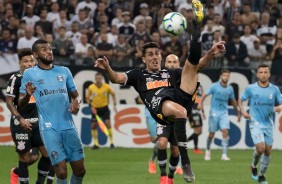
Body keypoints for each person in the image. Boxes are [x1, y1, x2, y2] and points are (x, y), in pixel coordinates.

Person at [94, 12, 226, 184]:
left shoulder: (169, 72)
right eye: (150, 54)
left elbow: (196, 66)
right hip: (159, 106)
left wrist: (210, 54)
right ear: (144, 59)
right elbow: (116, 79)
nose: (155, 57)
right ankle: (184, 163)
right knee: (164, 141)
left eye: (157, 53)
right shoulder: (138, 74)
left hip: (177, 100)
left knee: (190, 66)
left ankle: (196, 30)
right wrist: (107, 69)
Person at [18, 39, 86, 184]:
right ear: (35, 55)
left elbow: (76, 95)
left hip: (68, 125)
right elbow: (20, 103)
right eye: (44, 49)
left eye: (50, 48)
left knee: (80, 170)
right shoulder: (30, 74)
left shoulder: (64, 71)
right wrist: (29, 94)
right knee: (61, 172)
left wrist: (77, 102)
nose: (49, 51)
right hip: (49, 128)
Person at [6, 48, 51, 184]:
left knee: (47, 154)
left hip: (38, 124)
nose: (29, 63)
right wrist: (20, 119)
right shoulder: (16, 79)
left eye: (31, 60)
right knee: (25, 158)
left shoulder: (40, 77)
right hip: (21, 125)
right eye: (26, 61)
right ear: (20, 63)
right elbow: (9, 102)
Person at [238, 64, 282, 184]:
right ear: (257, 74)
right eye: (261, 72)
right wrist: (242, 111)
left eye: (265, 72)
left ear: (269, 74)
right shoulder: (251, 88)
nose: (263, 74)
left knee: (268, 150)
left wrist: (279, 107)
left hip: (268, 124)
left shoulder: (275, 89)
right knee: (261, 148)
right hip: (255, 122)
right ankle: (253, 165)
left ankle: (261, 175)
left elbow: (280, 103)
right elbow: (241, 99)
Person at [199, 69, 240, 161]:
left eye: (227, 76)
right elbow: (204, 95)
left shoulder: (230, 88)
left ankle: (224, 154)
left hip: (224, 113)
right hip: (214, 113)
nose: (225, 77)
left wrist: (237, 112)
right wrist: (200, 104)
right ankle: (208, 151)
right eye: (224, 75)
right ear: (220, 76)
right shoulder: (214, 86)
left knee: (225, 131)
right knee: (211, 134)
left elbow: (233, 101)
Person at [156, 54, 185, 184]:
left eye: (174, 62)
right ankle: (163, 176)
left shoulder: (185, 77)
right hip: (163, 117)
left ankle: (170, 177)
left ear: (179, 64)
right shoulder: (158, 76)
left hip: (178, 119)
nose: (172, 64)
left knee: (174, 150)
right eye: (169, 62)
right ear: (165, 64)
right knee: (161, 143)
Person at [85, 72, 117, 149]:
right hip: (95, 109)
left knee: (107, 124)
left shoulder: (106, 87)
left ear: (102, 79)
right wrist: (91, 106)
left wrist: (114, 105)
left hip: (104, 108)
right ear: (95, 79)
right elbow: (87, 98)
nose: (98, 79)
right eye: (97, 78)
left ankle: (112, 143)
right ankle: (96, 144)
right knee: (93, 126)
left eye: (100, 78)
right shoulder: (91, 87)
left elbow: (113, 94)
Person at [187, 74, 205, 155]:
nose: (197, 78)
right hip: (192, 110)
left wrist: (203, 112)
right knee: (197, 130)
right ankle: (196, 148)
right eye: (195, 76)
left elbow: (201, 100)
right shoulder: (189, 85)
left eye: (197, 76)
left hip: (198, 111)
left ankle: (184, 142)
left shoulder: (200, 87)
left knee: (199, 131)